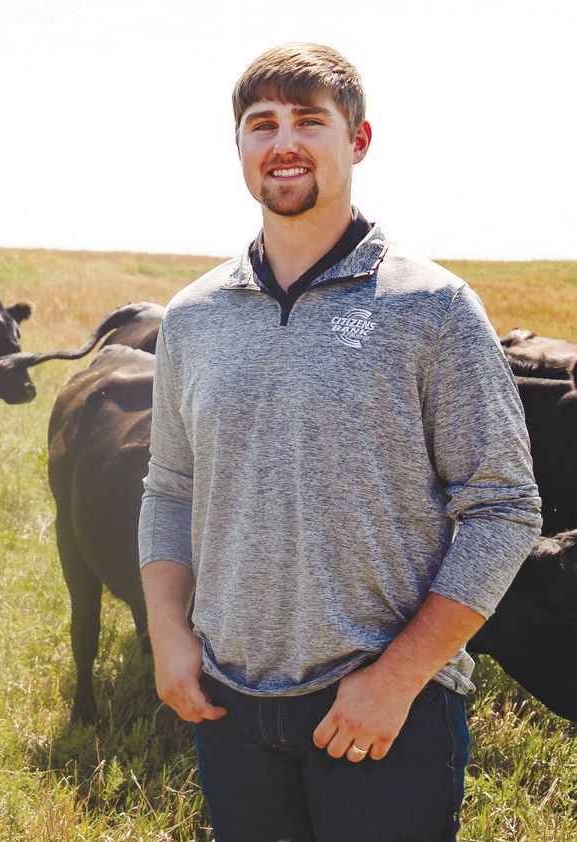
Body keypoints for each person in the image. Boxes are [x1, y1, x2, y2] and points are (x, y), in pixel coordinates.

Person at [137, 43, 541, 842]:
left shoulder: (433, 307)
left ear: (358, 141)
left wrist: (398, 678)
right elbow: (169, 488)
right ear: (239, 145)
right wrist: (168, 634)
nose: (283, 142)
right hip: (230, 708)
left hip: (385, 711)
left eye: (308, 121)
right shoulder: (193, 316)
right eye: (262, 124)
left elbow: (504, 510)